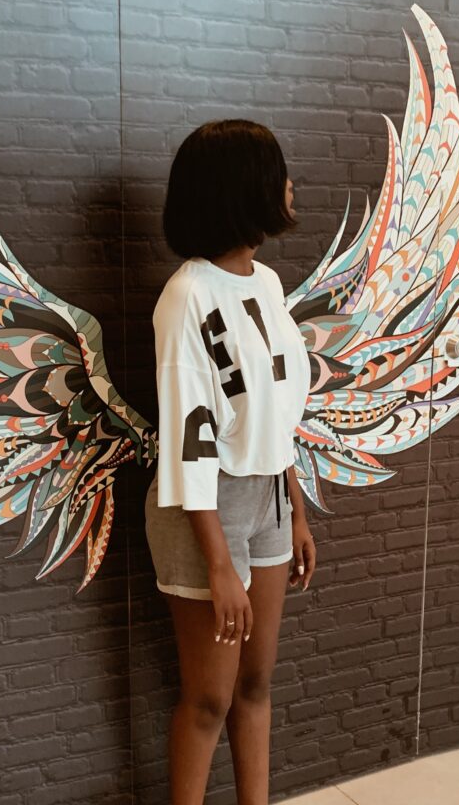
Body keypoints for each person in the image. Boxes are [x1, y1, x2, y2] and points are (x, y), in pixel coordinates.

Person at [144, 118, 316, 805]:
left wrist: (296, 510)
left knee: (255, 684)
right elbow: (188, 433)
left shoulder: (268, 284)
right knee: (208, 697)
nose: (289, 183)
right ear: (243, 189)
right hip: (202, 510)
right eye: (278, 171)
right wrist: (218, 560)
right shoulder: (186, 295)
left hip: (269, 499)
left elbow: (277, 411)